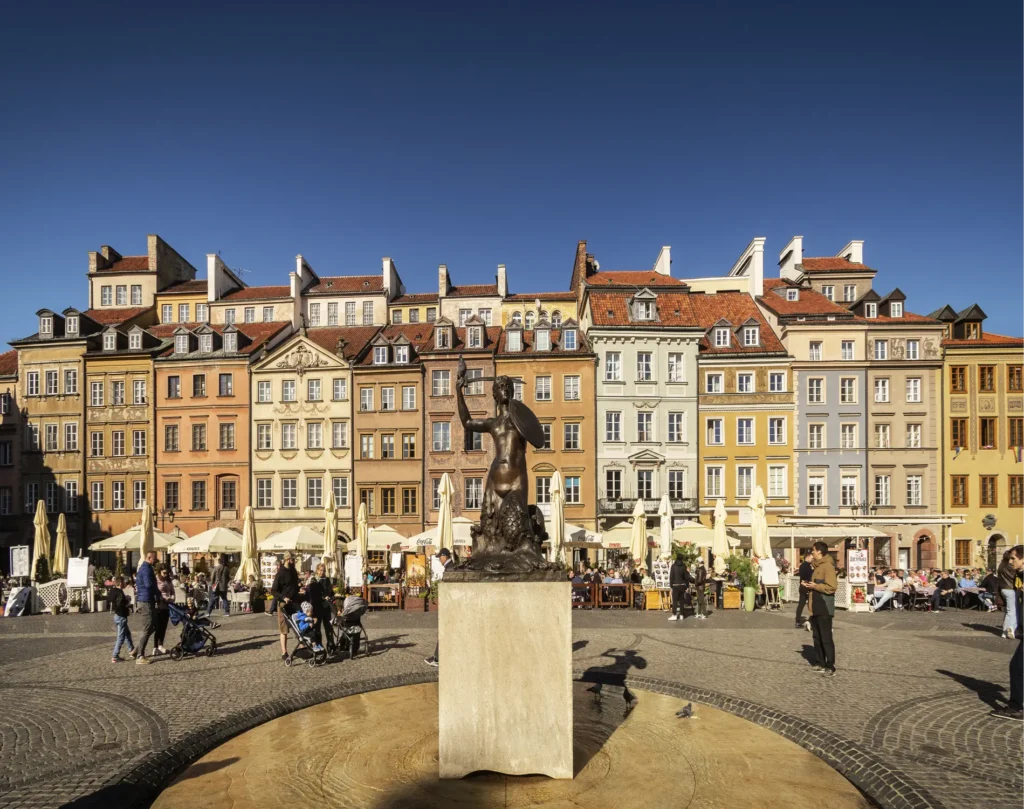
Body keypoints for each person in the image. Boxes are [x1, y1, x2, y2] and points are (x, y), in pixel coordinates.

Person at [991, 545, 1024, 721]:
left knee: (1017, 667)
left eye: (1014, 558)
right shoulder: (1018, 576)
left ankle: (1017, 707)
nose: (1010, 562)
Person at [802, 542, 837, 677]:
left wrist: (815, 586)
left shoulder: (827, 567)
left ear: (820, 552)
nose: (812, 553)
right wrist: (808, 585)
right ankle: (820, 662)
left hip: (824, 606)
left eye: (813, 551)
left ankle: (830, 665)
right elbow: (816, 585)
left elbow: (832, 587)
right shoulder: (816, 567)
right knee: (817, 637)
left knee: (826, 637)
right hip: (815, 606)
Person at [424, 548, 453, 668]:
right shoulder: (450, 566)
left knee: (444, 632)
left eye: (440, 557)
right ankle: (437, 657)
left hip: (450, 605)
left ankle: (438, 658)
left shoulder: (450, 568)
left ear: (444, 556)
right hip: (450, 604)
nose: (439, 560)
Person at [271, 552, 300, 664]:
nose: (294, 562)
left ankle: (301, 647)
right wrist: (283, 597)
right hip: (283, 604)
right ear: (288, 560)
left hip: (294, 602)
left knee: (298, 625)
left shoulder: (293, 571)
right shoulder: (281, 573)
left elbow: (295, 586)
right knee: (284, 629)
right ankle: (284, 652)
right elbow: (274, 590)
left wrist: (299, 590)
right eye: (293, 560)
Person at [133, 551, 160, 665]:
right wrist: (157, 591)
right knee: (147, 628)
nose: (155, 561)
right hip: (146, 601)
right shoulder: (147, 569)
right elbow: (149, 584)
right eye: (154, 559)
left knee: (152, 626)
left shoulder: (144, 568)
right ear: (149, 558)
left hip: (146, 600)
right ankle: (140, 656)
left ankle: (136, 651)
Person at [108, 576, 136, 663]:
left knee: (127, 633)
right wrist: (127, 601)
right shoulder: (120, 592)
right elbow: (120, 603)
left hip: (116, 615)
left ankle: (131, 650)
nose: (125, 584)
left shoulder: (112, 591)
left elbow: (111, 600)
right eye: (124, 582)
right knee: (121, 636)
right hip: (121, 616)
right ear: (120, 583)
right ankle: (115, 655)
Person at [152, 566, 175, 656]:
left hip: (167, 604)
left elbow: (172, 591)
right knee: (158, 626)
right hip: (159, 604)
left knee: (164, 626)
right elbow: (156, 592)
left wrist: (172, 598)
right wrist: (162, 598)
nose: (165, 575)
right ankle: (155, 647)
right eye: (164, 573)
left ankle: (160, 645)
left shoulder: (169, 581)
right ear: (160, 572)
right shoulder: (157, 580)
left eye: (167, 573)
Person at [1000, 551, 1018, 639]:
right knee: (1012, 611)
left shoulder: (1001, 565)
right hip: (1010, 588)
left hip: (1003, 588)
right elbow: (1015, 576)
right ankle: (1010, 628)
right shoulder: (1010, 566)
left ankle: (1004, 632)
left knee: (1008, 611)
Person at [668, 555, 691, 621]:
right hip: (682, 585)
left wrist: (671, 585)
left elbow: (671, 576)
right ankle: (681, 614)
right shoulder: (684, 566)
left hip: (675, 585)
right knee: (681, 601)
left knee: (674, 601)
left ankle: (674, 614)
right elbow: (686, 577)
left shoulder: (673, 566)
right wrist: (687, 585)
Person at [795, 551, 814, 629]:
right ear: (808, 557)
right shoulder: (807, 566)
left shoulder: (802, 565)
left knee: (801, 605)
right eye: (812, 558)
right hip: (807, 586)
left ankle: (798, 621)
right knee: (811, 605)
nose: (812, 559)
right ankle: (811, 621)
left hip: (803, 587)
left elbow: (802, 578)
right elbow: (809, 576)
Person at [209, 555, 231, 619]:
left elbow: (212, 577)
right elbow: (228, 578)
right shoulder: (227, 568)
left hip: (216, 586)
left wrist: (212, 584)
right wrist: (225, 583)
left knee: (212, 599)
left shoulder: (216, 568)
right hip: (223, 586)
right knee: (224, 598)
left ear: (219, 562)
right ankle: (227, 612)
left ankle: (208, 612)